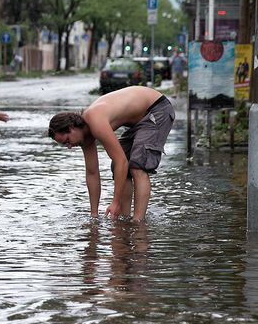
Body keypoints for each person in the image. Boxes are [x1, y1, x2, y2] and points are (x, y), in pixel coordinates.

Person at [48, 85, 175, 222]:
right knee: (118, 169)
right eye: (65, 145)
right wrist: (94, 215)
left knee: (137, 165)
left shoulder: (95, 120)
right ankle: (124, 219)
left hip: (156, 109)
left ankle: (138, 223)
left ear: (71, 128)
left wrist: (115, 202)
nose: (69, 146)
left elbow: (122, 161)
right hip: (137, 121)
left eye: (67, 141)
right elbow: (92, 173)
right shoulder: (85, 137)